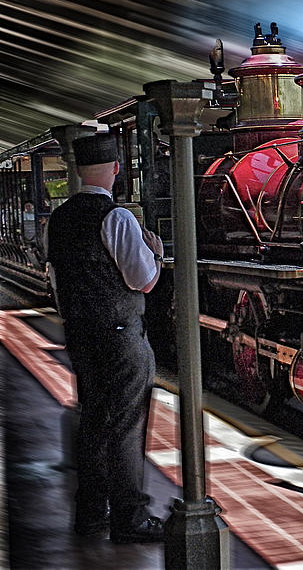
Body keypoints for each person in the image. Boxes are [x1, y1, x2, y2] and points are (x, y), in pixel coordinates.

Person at [46, 133, 166, 544]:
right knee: (127, 425)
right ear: (116, 169)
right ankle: (130, 518)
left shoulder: (58, 220)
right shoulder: (118, 218)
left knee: (93, 419)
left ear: (78, 171)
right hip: (121, 336)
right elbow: (144, 279)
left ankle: (91, 513)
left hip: (80, 334)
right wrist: (158, 253)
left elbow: (57, 282)